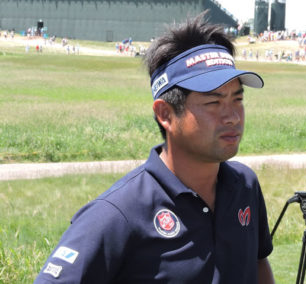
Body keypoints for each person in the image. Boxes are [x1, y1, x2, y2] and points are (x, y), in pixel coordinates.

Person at [34, 12, 275, 284]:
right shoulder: (118, 214)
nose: (232, 116)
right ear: (166, 114)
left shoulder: (245, 186)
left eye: (237, 99)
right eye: (213, 103)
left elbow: (257, 264)